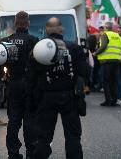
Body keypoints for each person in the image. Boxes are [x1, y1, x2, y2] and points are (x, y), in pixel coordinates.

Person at [27, 17, 89, 159]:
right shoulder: (73, 47)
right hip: (69, 96)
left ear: (47, 30)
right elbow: (85, 71)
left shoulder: (37, 50)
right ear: (61, 28)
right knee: (73, 135)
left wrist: (31, 103)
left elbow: (30, 79)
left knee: (43, 136)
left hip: (46, 97)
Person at [1, 11, 38, 159]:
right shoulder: (34, 40)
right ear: (28, 23)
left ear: (15, 23)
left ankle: (13, 153)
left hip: (13, 83)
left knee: (14, 120)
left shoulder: (7, 41)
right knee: (30, 119)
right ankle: (31, 152)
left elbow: (1, 62)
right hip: (29, 84)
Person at [94, 22, 121, 106]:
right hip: (116, 60)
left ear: (106, 28)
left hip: (106, 61)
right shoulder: (117, 36)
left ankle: (108, 100)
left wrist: (95, 53)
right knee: (114, 81)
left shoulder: (105, 35)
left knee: (105, 81)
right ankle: (114, 100)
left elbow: (103, 46)